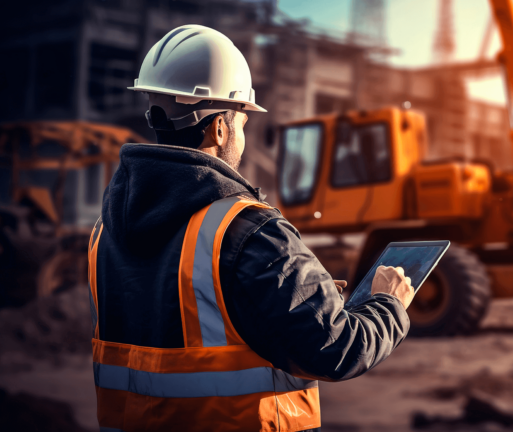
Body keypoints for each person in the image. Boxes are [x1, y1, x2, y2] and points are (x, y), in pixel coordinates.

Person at [87, 25, 414, 432]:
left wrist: (299, 291)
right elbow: (336, 350)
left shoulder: (104, 233)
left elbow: (176, 320)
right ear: (220, 127)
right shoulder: (249, 230)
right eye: (242, 122)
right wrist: (389, 304)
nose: (241, 134)